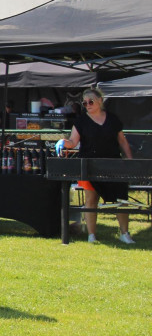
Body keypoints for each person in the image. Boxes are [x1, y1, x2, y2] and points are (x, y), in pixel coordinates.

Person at [57, 87, 135, 244]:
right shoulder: (81, 121)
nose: (87, 104)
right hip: (89, 165)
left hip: (113, 164)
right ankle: (91, 235)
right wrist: (63, 142)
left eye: (90, 101)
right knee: (91, 200)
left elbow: (122, 141)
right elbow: (73, 142)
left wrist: (130, 162)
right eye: (84, 103)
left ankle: (124, 233)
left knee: (121, 199)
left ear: (100, 101)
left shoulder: (113, 119)